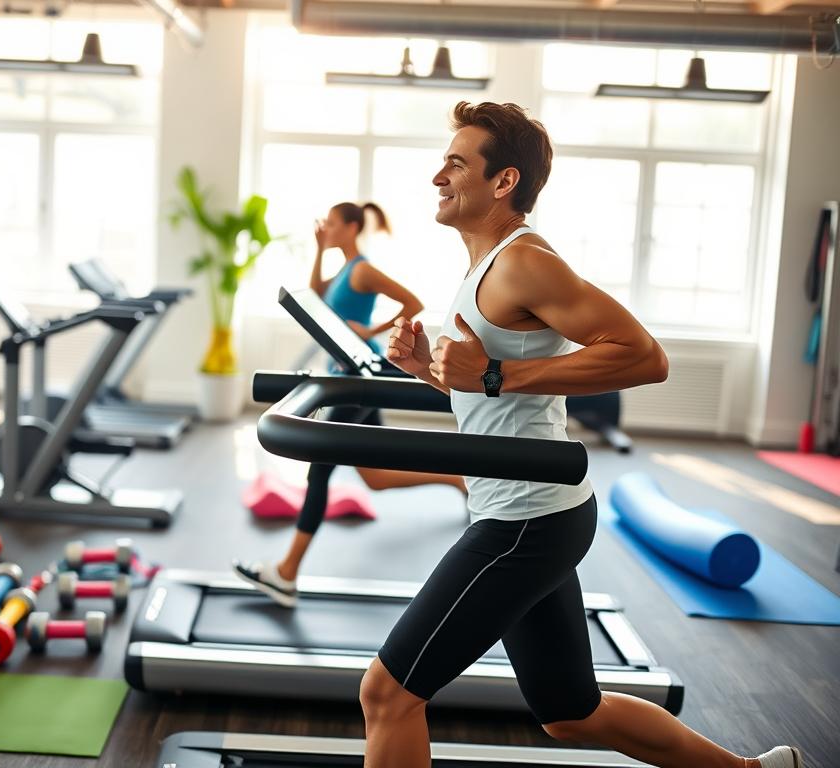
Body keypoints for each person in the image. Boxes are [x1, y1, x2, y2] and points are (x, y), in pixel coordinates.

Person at [361, 101, 802, 768]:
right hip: (536, 512)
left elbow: (645, 355)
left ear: (503, 181)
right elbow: (491, 396)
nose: (437, 176)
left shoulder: (524, 261)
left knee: (389, 695)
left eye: (456, 163)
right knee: (571, 714)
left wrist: (492, 374)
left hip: (524, 520)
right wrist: (429, 369)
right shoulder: (482, 267)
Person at [233, 201, 467, 607]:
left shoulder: (361, 269)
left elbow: (412, 301)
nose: (328, 227)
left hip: (358, 376)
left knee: (319, 472)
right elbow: (316, 298)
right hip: (348, 373)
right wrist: (320, 248)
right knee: (374, 476)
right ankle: (459, 480)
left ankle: (286, 574)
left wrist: (369, 329)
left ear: (353, 227)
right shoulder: (342, 268)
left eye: (334, 224)